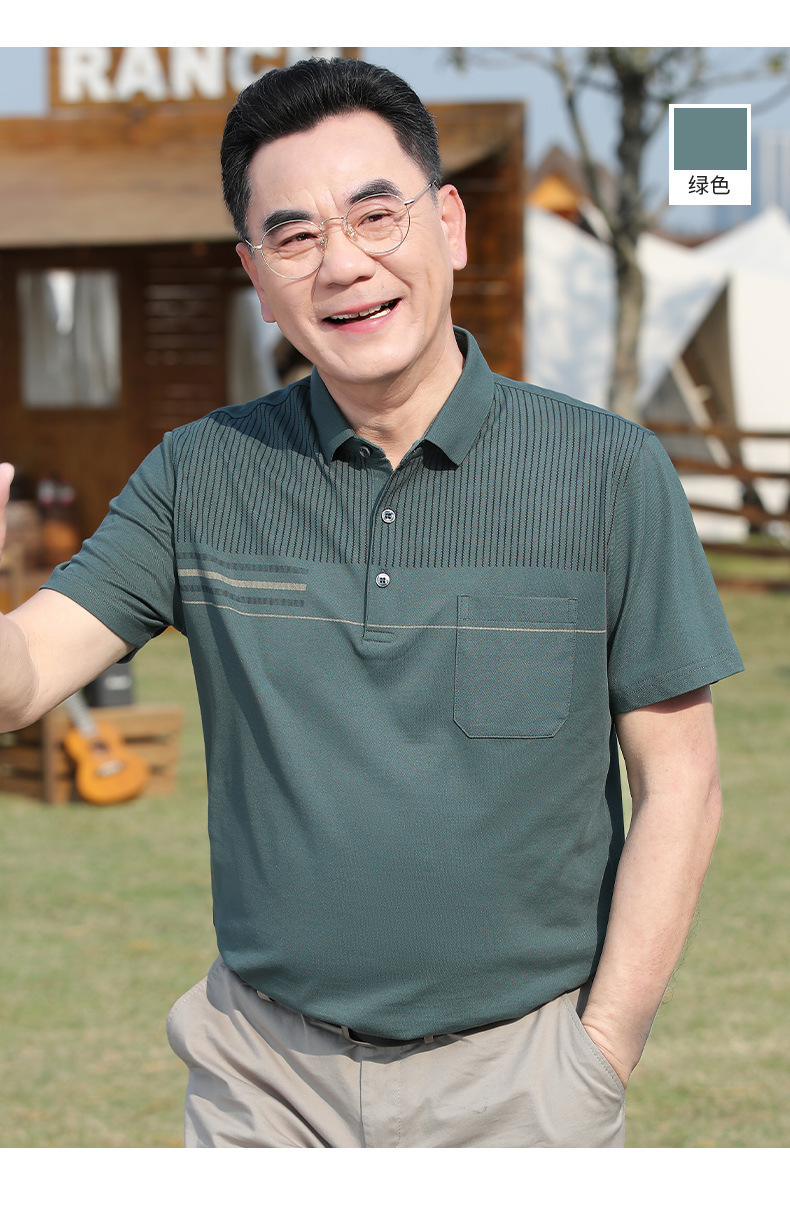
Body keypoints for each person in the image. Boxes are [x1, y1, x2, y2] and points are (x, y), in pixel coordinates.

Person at [0, 57, 743, 1148]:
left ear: (450, 225)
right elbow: (23, 680)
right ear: (257, 276)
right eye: (295, 236)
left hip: (523, 1084)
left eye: (375, 214)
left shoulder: (607, 472)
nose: (343, 263)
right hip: (264, 1081)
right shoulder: (199, 474)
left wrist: (602, 1051)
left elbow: (682, 786)